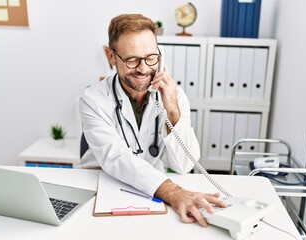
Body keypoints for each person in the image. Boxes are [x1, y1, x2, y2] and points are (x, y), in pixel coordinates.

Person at [79, 13, 226, 227]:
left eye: (151, 57)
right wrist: (174, 193)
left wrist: (172, 108)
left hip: (150, 193)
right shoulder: (93, 99)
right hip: (102, 186)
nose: (144, 69)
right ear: (111, 56)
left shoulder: (173, 96)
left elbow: (185, 164)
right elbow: (117, 158)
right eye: (131, 60)